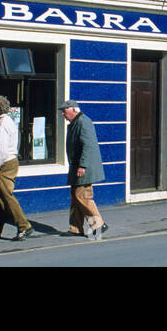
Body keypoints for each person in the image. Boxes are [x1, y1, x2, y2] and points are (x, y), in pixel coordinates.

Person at [0, 96, 32, 241]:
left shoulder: (1, 125)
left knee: (5, 196)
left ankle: (24, 226)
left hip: (4, 163)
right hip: (9, 161)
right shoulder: (8, 122)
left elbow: (1, 147)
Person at [63, 99, 107, 238]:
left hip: (83, 167)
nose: (63, 114)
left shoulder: (83, 122)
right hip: (77, 166)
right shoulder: (76, 122)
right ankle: (75, 228)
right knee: (75, 197)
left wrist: (83, 165)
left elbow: (88, 145)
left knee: (82, 196)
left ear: (74, 110)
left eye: (64, 111)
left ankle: (98, 224)